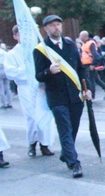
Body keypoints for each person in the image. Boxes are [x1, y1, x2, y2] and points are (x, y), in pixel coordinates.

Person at [33, 15, 91, 178]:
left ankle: (66, 152)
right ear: (45, 29)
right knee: (65, 129)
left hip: (75, 95)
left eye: (58, 24)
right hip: (57, 98)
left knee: (73, 128)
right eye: (52, 26)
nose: (56, 28)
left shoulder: (70, 45)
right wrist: (48, 71)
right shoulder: (40, 50)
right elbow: (38, 75)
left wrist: (88, 88)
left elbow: (80, 68)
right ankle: (74, 163)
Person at [5, 25, 55, 157]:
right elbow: (10, 73)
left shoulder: (38, 50)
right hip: (25, 87)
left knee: (44, 114)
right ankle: (32, 143)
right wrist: (26, 70)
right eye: (20, 34)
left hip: (40, 86)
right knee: (31, 116)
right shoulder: (11, 54)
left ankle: (45, 144)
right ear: (15, 37)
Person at [80, 31, 105, 100]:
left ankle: (92, 96)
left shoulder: (90, 43)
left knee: (91, 80)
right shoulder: (85, 44)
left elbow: (96, 55)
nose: (80, 38)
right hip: (86, 64)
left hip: (90, 64)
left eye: (81, 36)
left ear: (85, 36)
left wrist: (93, 64)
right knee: (96, 79)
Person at [0, 41, 11, 109]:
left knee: (1, 88)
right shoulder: (5, 52)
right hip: (6, 69)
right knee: (7, 87)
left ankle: (4, 103)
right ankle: (9, 102)